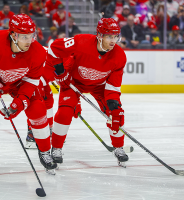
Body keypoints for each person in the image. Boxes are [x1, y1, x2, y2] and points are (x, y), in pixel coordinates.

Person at [0, 14, 57, 175]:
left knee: (37, 109)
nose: (29, 41)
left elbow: (33, 80)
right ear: (13, 34)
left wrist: (20, 102)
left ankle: (45, 152)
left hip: (19, 82)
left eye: (31, 36)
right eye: (24, 36)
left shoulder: (39, 52)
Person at [43, 18, 129, 168]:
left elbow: (113, 85)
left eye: (116, 36)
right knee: (65, 111)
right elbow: (54, 48)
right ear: (99, 35)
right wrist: (60, 70)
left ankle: (118, 147)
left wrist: (114, 106)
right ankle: (56, 148)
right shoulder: (81, 42)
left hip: (100, 86)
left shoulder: (119, 55)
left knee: (115, 113)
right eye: (109, 36)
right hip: (73, 82)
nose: (113, 40)